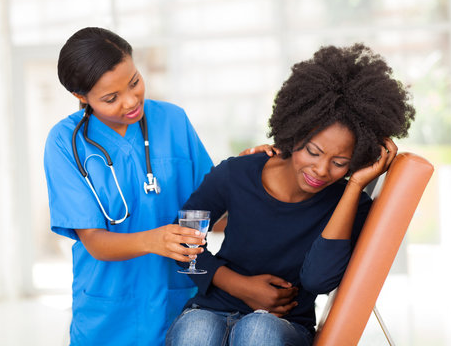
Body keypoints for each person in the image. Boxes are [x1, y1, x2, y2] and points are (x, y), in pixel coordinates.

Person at [165, 43, 416, 346]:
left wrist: (353, 186)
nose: (322, 170)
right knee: (197, 331)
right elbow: (181, 241)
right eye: (313, 151)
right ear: (293, 131)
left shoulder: (349, 205)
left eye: (340, 163)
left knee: (256, 331)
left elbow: (318, 280)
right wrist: (239, 285)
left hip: (284, 325)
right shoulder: (235, 173)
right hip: (212, 308)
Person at [43, 27, 274, 345]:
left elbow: (213, 211)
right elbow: (94, 241)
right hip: (108, 311)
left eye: (134, 82)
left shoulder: (173, 121)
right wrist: (154, 240)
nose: (130, 101)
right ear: (81, 97)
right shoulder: (65, 143)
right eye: (111, 98)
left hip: (180, 306)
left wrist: (251, 175)